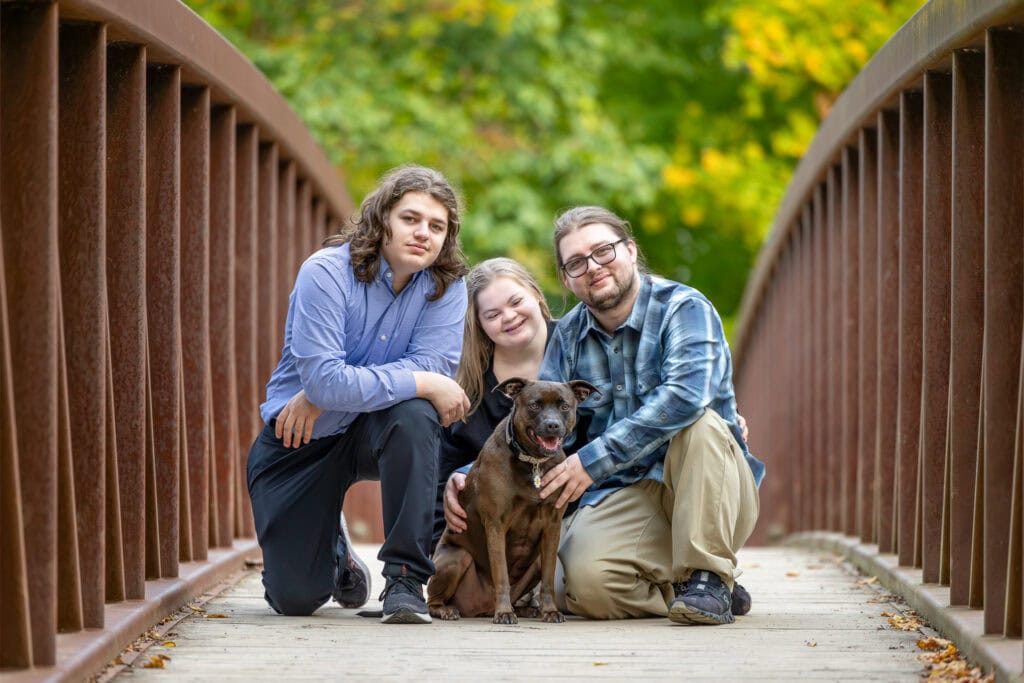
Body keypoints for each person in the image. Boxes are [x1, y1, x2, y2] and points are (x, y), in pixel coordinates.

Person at [445, 206, 764, 625]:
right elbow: (542, 424)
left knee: (699, 423)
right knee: (585, 587)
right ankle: (687, 585)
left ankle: (707, 572)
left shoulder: (683, 308)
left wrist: (591, 462)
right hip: (630, 491)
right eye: (576, 262)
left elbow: (685, 396)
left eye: (603, 251)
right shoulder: (569, 337)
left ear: (630, 250)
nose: (593, 267)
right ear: (565, 278)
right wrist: (473, 472)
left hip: (706, 481)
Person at [246, 165, 470, 625]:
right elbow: (330, 381)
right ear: (381, 217)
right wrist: (419, 380)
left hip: (377, 430)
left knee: (414, 415)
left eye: (436, 226)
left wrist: (338, 388)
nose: (423, 233)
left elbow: (417, 371)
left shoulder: (446, 285)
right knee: (294, 599)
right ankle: (336, 551)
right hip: (298, 439)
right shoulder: (326, 272)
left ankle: (405, 580)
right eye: (410, 219)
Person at [430, 257, 557, 552]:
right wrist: (439, 549)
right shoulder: (469, 386)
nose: (509, 316)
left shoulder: (578, 349)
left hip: (566, 521)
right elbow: (440, 477)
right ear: (480, 325)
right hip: (492, 538)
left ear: (536, 295)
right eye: (492, 314)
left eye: (516, 302)